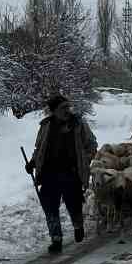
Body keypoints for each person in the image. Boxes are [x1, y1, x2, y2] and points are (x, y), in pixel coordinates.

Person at [26, 95, 98, 254]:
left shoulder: (78, 124)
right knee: (50, 207)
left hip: (71, 173)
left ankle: (78, 225)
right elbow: (40, 148)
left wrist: (84, 160)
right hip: (49, 173)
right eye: (62, 108)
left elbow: (92, 145)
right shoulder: (46, 126)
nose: (67, 111)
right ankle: (56, 239)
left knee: (73, 204)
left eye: (68, 107)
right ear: (53, 111)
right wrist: (33, 162)